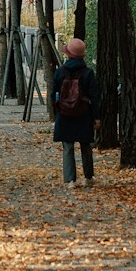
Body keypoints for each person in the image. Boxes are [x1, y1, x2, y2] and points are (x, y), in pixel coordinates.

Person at [53, 37, 100, 190]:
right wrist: (96, 117)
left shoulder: (60, 72)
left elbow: (53, 94)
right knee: (86, 145)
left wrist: (57, 111)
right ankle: (88, 177)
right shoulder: (88, 73)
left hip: (65, 114)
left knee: (68, 147)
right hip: (83, 114)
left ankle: (70, 180)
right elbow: (94, 96)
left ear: (68, 54)